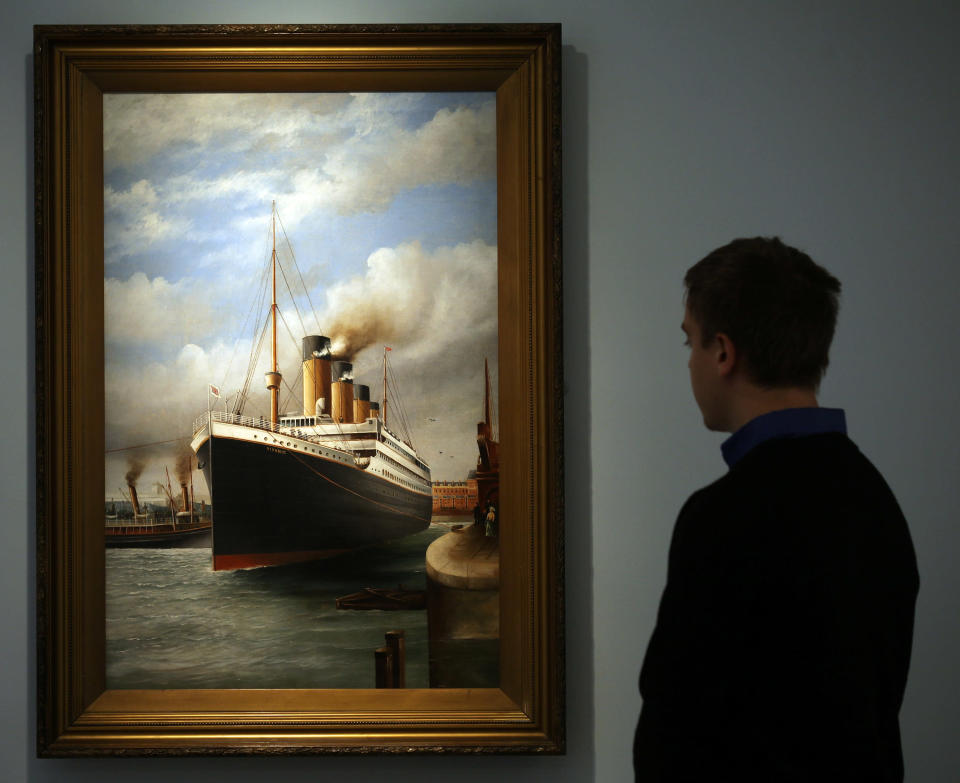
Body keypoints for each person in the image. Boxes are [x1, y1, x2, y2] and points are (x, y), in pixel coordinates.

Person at [634, 237, 919, 782]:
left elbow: (671, 739)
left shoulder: (721, 519)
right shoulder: (876, 501)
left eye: (690, 343)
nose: (691, 362)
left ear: (723, 352)